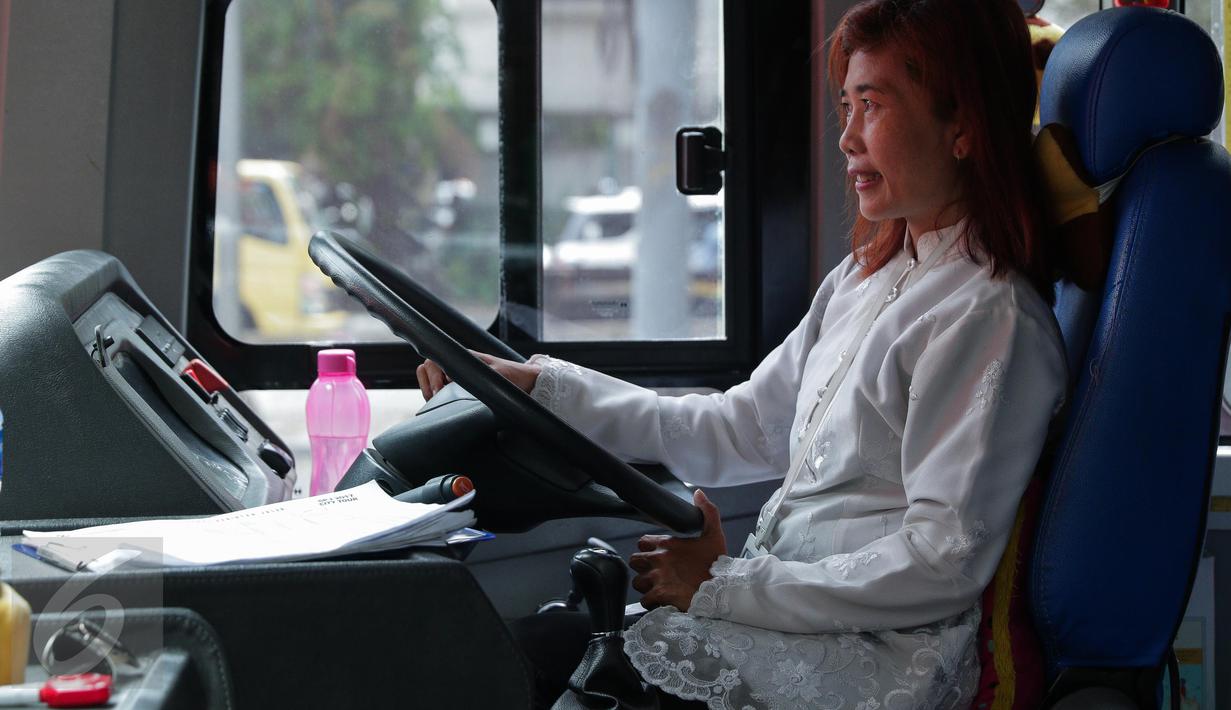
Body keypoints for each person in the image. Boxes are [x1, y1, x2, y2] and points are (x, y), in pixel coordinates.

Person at [419, 0, 1066, 707]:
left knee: (545, 667)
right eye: (845, 106)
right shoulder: (864, 279)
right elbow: (738, 428)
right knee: (512, 648)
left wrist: (725, 584)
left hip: (879, 658)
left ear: (963, 127)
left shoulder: (983, 315)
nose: (847, 137)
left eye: (872, 106)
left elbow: (940, 562)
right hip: (792, 614)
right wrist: (539, 387)